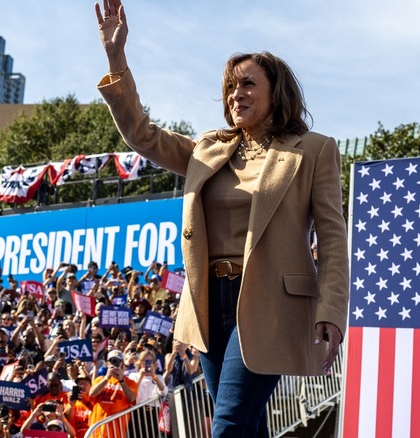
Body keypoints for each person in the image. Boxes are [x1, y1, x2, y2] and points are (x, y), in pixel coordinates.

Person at [93, 1, 350, 436]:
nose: (236, 94)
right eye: (231, 86)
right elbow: (142, 134)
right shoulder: (208, 147)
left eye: (248, 84)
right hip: (210, 303)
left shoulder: (314, 149)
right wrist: (116, 58)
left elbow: (331, 235)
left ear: (276, 92)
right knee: (245, 423)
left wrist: (331, 309)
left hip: (274, 302)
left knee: (228, 422)